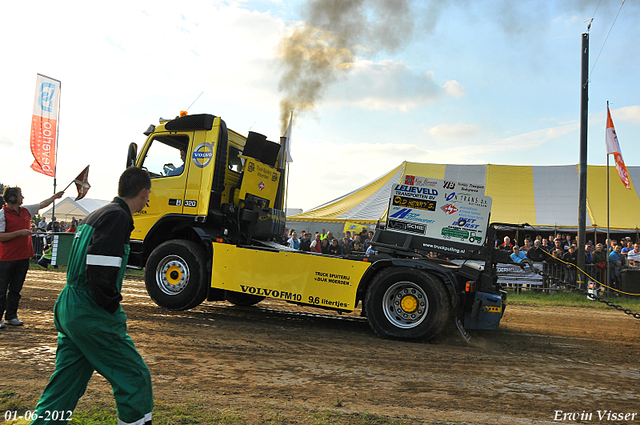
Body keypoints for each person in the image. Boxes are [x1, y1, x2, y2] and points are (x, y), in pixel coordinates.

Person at [31, 167, 153, 425]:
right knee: (134, 376)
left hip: (70, 306)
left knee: (65, 384)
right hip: (90, 311)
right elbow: (100, 268)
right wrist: (111, 309)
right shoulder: (118, 217)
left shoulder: (97, 214)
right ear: (144, 194)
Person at [0, 187, 63, 329]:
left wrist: (54, 197)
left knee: (16, 289)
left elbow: (42, 204)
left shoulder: (26, 210)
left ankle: (11, 316)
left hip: (23, 256)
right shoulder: (2, 214)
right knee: (2, 289)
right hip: (6, 257)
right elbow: (0, 236)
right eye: (20, 195)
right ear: (12, 199)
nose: (23, 198)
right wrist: (19, 233)